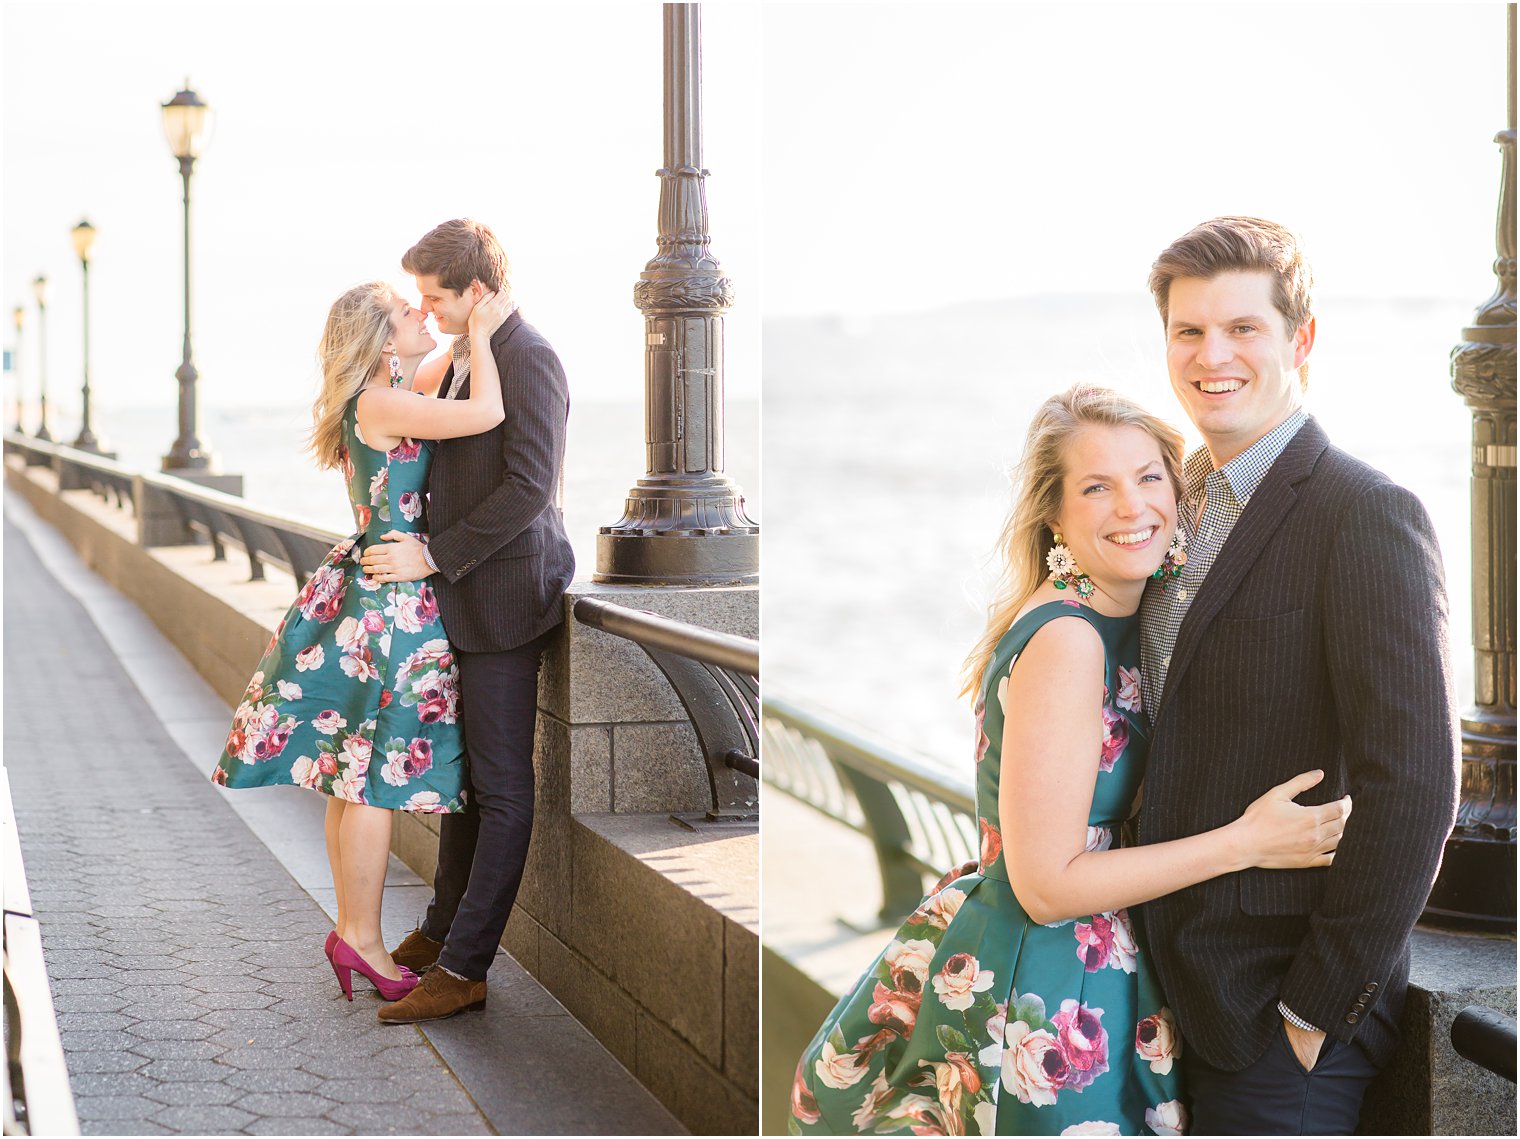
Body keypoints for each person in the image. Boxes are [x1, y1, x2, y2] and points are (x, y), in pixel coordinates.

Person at [790, 385, 1352, 1136]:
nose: (1133, 505)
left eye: (1150, 477)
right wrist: (1245, 841)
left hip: (1091, 966)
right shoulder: (1070, 641)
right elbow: (1048, 883)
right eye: (1098, 486)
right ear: (1055, 514)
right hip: (1054, 983)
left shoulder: (1124, 613)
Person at [1135, 216, 1459, 1135]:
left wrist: (1313, 1012)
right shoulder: (1171, 503)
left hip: (1279, 1014)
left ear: (1300, 341)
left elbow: (1418, 782)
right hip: (1161, 992)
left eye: (1244, 329)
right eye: (1189, 331)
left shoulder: (1365, 512)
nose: (1212, 355)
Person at [212, 280, 514, 1001]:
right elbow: (490, 411)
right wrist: (488, 332)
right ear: (382, 340)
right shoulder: (381, 402)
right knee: (373, 779)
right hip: (390, 606)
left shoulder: (387, 393)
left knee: (353, 780)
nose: (421, 313)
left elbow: (443, 377)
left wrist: (467, 334)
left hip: (373, 594)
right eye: (408, 312)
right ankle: (364, 939)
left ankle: (355, 931)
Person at [357, 218, 576, 1025]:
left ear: (477, 290)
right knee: (465, 790)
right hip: (464, 601)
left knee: (503, 788)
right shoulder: (465, 360)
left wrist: (433, 556)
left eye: (436, 295)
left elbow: (529, 490)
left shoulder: (531, 358)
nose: (428, 307)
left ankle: (467, 966)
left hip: (508, 600)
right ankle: (442, 930)